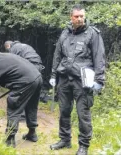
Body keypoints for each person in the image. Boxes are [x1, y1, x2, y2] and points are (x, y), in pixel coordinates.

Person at [49, 4, 105, 155]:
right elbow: (57, 55)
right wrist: (53, 75)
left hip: (83, 82)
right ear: (71, 17)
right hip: (64, 79)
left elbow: (99, 57)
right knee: (64, 111)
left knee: (83, 114)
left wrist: (99, 81)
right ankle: (65, 139)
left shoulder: (93, 33)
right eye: (76, 16)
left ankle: (84, 146)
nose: (80, 19)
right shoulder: (65, 33)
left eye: (82, 16)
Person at [0, 46, 42, 147]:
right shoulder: (2, 56)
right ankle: (32, 133)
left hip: (25, 81)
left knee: (14, 107)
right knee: (31, 106)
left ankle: (10, 140)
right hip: (37, 77)